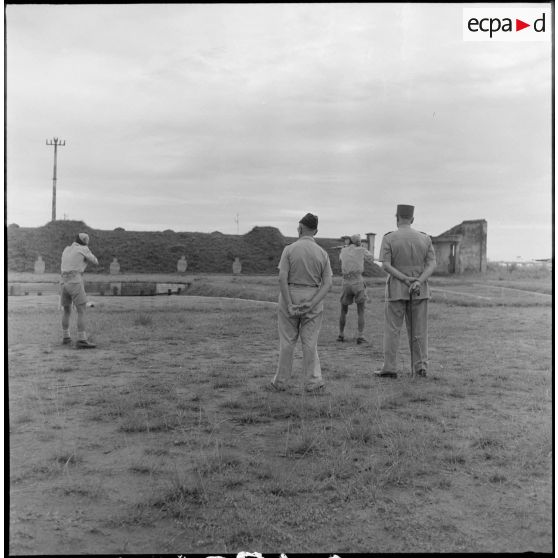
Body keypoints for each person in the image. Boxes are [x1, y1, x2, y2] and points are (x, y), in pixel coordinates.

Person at [270, 213, 333, 392]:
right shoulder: (323, 253)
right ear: (316, 231)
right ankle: (313, 381)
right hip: (313, 293)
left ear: (300, 228)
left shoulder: (289, 250)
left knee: (287, 341)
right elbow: (328, 283)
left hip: (290, 292)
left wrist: (289, 303)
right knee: (310, 341)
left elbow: (282, 278)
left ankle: (280, 381)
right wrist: (312, 303)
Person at [375, 205, 436, 378]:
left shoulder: (389, 238)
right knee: (419, 330)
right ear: (413, 219)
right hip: (420, 290)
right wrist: (418, 280)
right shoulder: (425, 238)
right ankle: (420, 367)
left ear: (397, 217)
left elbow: (385, 264)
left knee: (392, 330)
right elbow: (432, 264)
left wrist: (403, 279)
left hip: (396, 289)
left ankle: (389, 368)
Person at [60, 232, 99, 348]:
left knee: (66, 311)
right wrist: (86, 257)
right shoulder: (84, 248)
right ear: (86, 241)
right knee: (81, 311)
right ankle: (82, 339)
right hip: (75, 281)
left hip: (63, 281)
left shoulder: (66, 249)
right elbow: (96, 261)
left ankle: (66, 337)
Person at [337, 233, 376, 344]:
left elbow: (341, 260)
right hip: (357, 280)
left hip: (346, 281)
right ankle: (360, 336)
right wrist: (361, 250)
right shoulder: (361, 250)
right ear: (358, 242)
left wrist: (346, 250)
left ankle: (341, 334)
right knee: (361, 311)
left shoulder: (343, 251)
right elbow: (371, 258)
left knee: (343, 310)